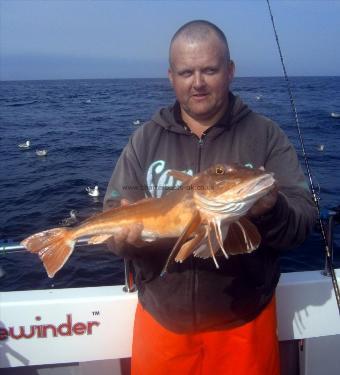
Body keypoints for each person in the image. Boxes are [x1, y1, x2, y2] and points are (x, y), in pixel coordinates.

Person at [104, 20, 317, 375]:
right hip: (162, 323)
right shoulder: (144, 140)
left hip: (245, 322)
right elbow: (116, 211)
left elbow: (304, 218)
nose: (197, 83)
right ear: (170, 76)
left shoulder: (265, 135)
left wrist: (271, 210)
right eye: (186, 72)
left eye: (210, 70)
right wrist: (124, 242)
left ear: (230, 71)